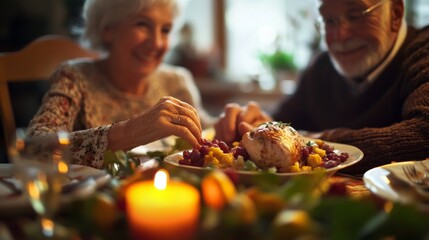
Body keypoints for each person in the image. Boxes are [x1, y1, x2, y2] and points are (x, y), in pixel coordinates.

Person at [215, 0, 429, 175]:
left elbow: (423, 134)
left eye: (355, 15)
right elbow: (282, 117)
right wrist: (254, 124)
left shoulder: (422, 54)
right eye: (329, 20)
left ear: (395, 14)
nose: (340, 36)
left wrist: (312, 143)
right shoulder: (321, 68)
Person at [27, 0, 215, 169]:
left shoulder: (177, 81)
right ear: (108, 29)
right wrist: (130, 131)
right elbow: (34, 148)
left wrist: (231, 123)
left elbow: (205, 130)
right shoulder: (75, 78)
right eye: (142, 24)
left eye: (165, 30)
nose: (157, 43)